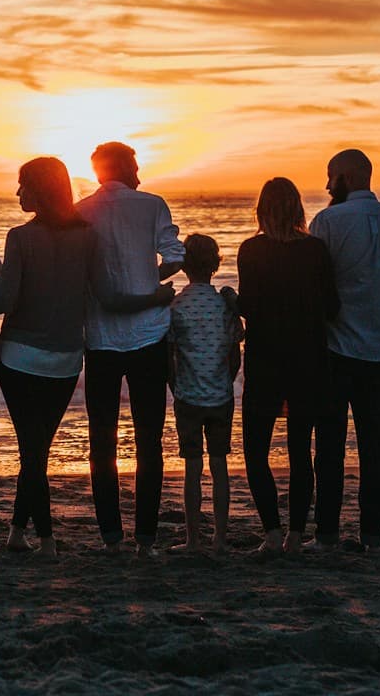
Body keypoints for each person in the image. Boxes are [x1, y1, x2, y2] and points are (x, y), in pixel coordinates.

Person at [0, 156, 148, 557]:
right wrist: (155, 293)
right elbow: (108, 297)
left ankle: (47, 540)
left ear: (40, 190)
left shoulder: (20, 238)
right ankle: (17, 531)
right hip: (65, 361)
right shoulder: (87, 236)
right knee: (37, 451)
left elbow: (4, 300)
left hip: (21, 359)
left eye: (23, 185)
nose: (18, 192)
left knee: (33, 453)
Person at [307, 150, 380, 552]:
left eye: (330, 177)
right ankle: (373, 537)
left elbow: (313, 286)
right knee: (375, 446)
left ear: (347, 176)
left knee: (329, 446)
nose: (326, 186)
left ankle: (326, 535)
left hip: (335, 350)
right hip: (378, 351)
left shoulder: (326, 222)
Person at [78, 141, 184, 554]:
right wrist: (148, 277)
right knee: (149, 439)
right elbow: (175, 257)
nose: (140, 171)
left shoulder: (81, 211)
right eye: (136, 164)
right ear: (127, 166)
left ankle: (110, 535)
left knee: (100, 439)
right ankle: (145, 537)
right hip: (148, 336)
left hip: (100, 338)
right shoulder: (152, 204)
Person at [236, 177, 338, 555]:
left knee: (256, 450)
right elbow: (332, 307)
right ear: (298, 209)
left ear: (261, 211)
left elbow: (250, 306)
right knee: (300, 450)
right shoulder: (315, 250)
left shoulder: (251, 250)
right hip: (309, 359)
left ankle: (272, 533)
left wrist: (233, 302)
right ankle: (296, 535)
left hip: (266, 360)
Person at [168, 234, 239, 555]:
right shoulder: (224, 305)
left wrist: (175, 386)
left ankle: (193, 540)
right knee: (220, 465)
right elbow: (235, 351)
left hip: (188, 396)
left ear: (183, 266)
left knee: (193, 469)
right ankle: (220, 538)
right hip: (220, 395)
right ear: (215, 264)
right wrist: (227, 379)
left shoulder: (177, 306)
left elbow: (170, 356)